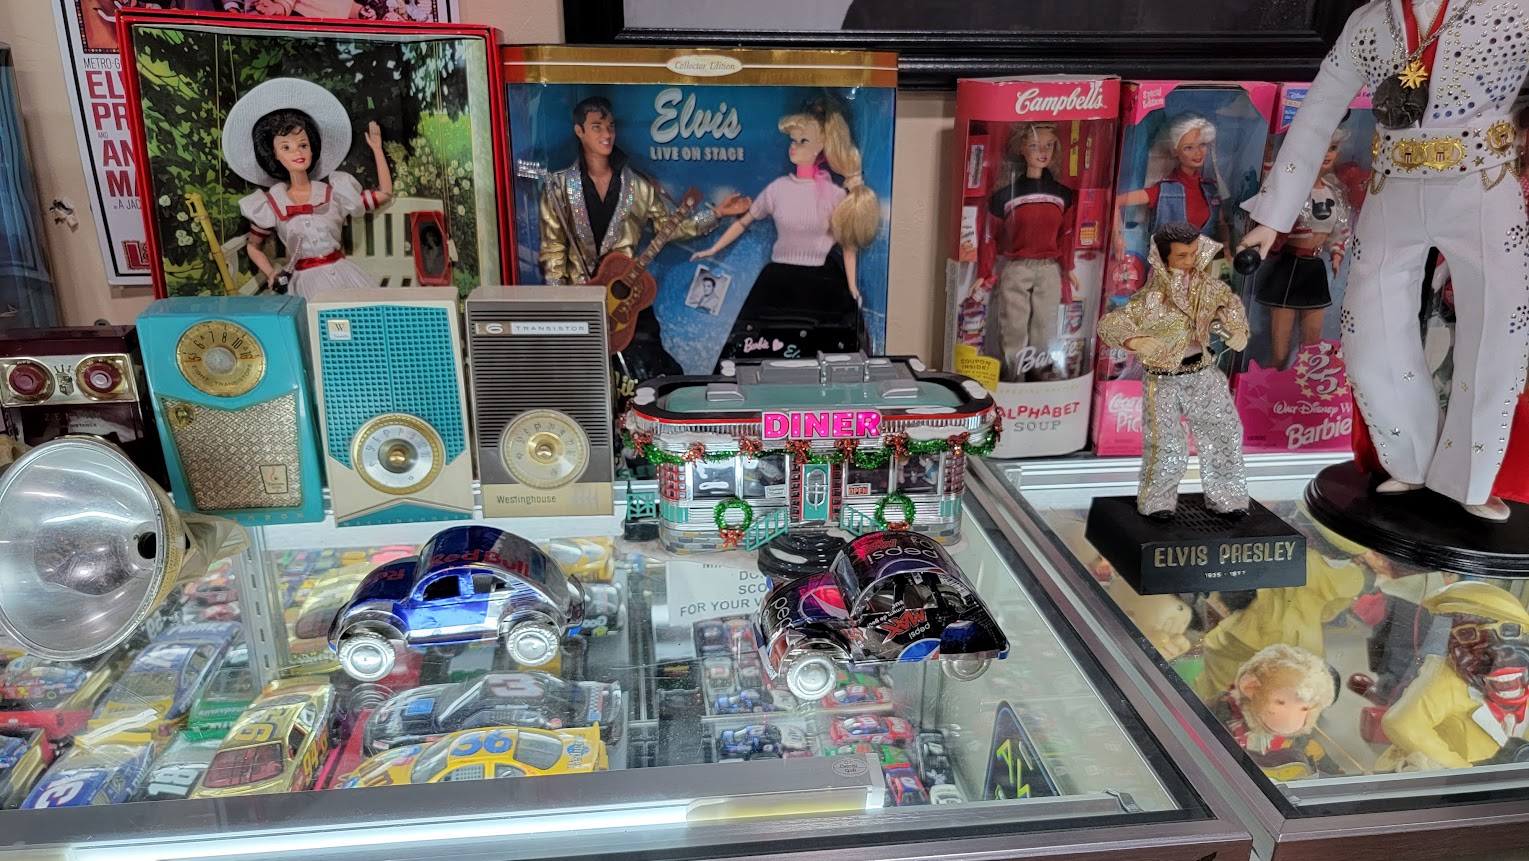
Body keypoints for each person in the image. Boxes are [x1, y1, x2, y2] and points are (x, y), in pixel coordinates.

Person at [1240, 0, 1529, 522]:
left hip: (1483, 185)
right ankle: (1407, 457)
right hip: (1391, 186)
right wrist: (1274, 215)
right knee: (1367, 331)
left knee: (1497, 336)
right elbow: (1318, 112)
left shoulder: (1514, 12)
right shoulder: (1369, 21)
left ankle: (1470, 476)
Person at [539, 96, 748, 395]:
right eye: (597, 127)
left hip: (628, 299)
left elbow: (669, 228)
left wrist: (715, 214)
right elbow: (553, 251)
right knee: (580, 380)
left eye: (610, 126)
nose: (606, 134)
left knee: (651, 372)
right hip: (581, 300)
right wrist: (560, 307)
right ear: (579, 131)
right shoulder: (559, 187)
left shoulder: (637, 185)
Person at [692, 99, 877, 365]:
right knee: (755, 350)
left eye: (803, 141)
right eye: (793, 140)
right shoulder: (777, 189)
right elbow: (743, 222)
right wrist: (712, 249)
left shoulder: (835, 196)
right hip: (778, 281)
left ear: (821, 147)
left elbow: (849, 244)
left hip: (823, 283)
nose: (794, 146)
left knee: (828, 351)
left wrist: (851, 286)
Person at [1097, 221, 1250, 518]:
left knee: (1224, 431)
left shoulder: (1208, 287)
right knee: (1165, 444)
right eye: (1181, 256)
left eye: (1193, 253)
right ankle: (1158, 502)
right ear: (1164, 259)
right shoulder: (1150, 298)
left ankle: (1228, 497)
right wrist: (1133, 340)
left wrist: (1237, 330)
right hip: (1163, 379)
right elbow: (1111, 322)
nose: (1190, 261)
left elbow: (1230, 306)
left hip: (1203, 372)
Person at [222, 77, 390, 298]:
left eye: (303, 145)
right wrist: (271, 273)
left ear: (312, 148)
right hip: (305, 283)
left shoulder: (334, 193)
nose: (297, 152)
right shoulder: (272, 205)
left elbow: (384, 194)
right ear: (274, 154)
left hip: (342, 274)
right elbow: (253, 246)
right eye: (286, 147)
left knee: (360, 313)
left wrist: (377, 149)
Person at [982, 123, 1078, 382]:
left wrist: (1068, 267)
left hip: (1049, 267)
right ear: (1022, 149)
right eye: (1034, 145)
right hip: (1017, 266)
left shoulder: (1063, 195)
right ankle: (1013, 377)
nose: (1042, 152)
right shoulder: (1005, 196)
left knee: (1045, 327)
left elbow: (1067, 234)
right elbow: (989, 236)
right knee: (1013, 326)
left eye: (1049, 145)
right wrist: (984, 272)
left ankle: (1040, 376)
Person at [1253, 129, 1351, 371]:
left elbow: (1340, 228)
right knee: (1280, 349)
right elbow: (1269, 192)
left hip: (1315, 269)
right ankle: (1272, 384)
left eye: (1332, 148)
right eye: (1321, 147)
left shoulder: (1334, 190)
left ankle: (1304, 386)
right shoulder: (1292, 187)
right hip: (1289, 267)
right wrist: (1268, 156)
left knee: (1312, 345)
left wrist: (1336, 252)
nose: (1327, 154)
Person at [1116, 114, 1233, 269]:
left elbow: (1221, 223)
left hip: (1203, 271)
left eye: (1202, 145)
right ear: (1175, 151)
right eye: (1188, 148)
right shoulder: (1163, 191)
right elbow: (1117, 201)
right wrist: (1117, 238)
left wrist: (1226, 246)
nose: (1198, 153)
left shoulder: (1210, 188)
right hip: (1168, 272)